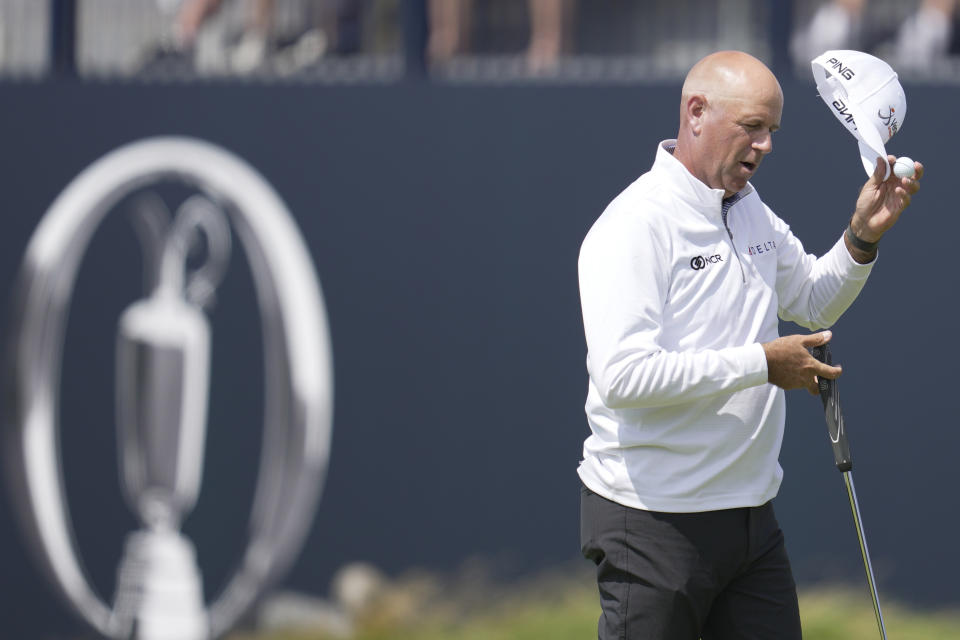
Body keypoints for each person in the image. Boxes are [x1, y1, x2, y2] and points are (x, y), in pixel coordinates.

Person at [576, 50, 922, 639]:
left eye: (773, 131)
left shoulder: (747, 210)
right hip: (653, 520)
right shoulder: (634, 225)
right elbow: (624, 378)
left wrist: (862, 236)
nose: (765, 146)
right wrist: (763, 363)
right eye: (752, 127)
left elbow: (811, 298)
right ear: (697, 113)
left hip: (750, 520)